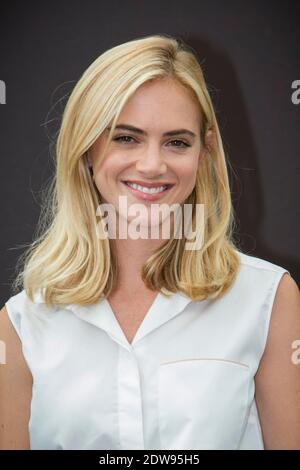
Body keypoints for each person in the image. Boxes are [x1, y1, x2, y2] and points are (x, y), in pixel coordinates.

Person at [0, 34, 299, 451]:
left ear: (204, 153)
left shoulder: (268, 299)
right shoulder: (23, 322)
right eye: (127, 137)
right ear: (87, 149)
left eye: (177, 142)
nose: (152, 165)